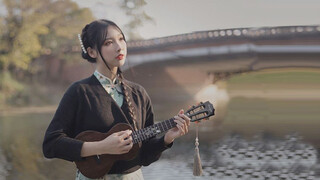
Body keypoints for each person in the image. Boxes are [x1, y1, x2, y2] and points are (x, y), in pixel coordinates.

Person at [42, 19, 191, 180]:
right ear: (92, 52)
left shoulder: (139, 94)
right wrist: (102, 147)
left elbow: (145, 156)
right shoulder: (79, 92)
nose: (119, 47)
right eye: (108, 43)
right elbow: (51, 144)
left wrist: (167, 138)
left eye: (121, 39)